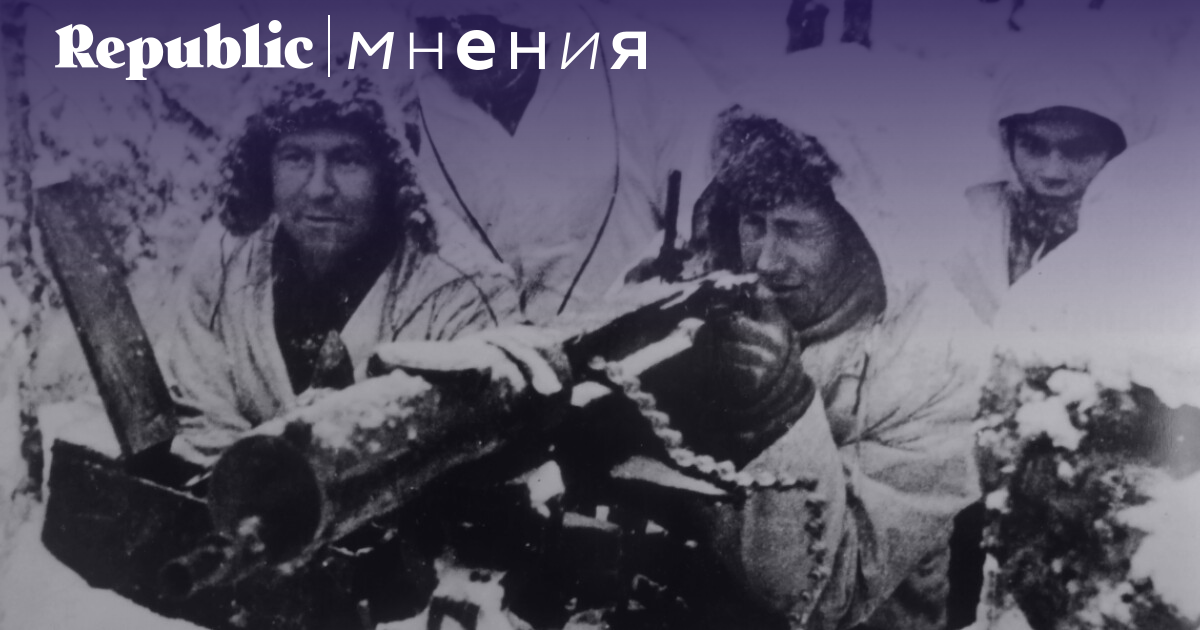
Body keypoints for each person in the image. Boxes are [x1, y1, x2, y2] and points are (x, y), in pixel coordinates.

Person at [608, 108, 988, 630]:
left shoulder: (937, 355)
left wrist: (778, 414)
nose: (765, 260)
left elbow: (829, 598)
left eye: (794, 230)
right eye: (753, 223)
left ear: (863, 232)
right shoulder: (696, 276)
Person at [163, 75, 525, 466]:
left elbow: (490, 450)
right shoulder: (226, 254)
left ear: (389, 171)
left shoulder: (460, 287)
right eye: (296, 157)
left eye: (347, 159)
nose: (318, 188)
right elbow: (201, 418)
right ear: (265, 165)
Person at [402, 0, 721, 322]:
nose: (449, 48)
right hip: (473, 346)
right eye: (433, 28)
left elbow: (710, 224)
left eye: (468, 28)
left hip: (635, 333)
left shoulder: (651, 65)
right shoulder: (402, 101)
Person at [947, 61, 1142, 325]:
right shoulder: (961, 230)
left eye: (1079, 150)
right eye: (1033, 146)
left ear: (1117, 154)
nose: (1053, 173)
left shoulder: (1147, 248)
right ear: (1007, 144)